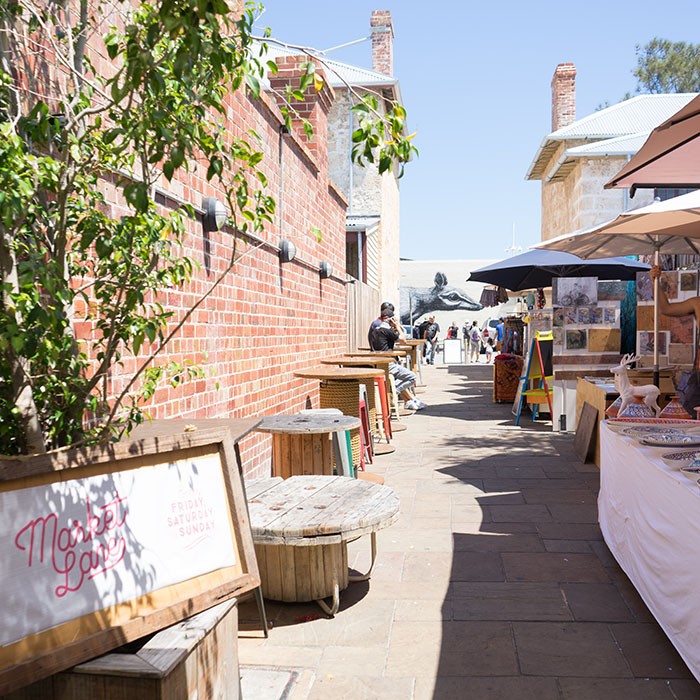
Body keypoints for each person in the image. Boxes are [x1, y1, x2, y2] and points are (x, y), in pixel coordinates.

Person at [369, 305, 427, 410]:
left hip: (378, 363)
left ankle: (408, 400)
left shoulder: (376, 330)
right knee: (411, 377)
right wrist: (397, 326)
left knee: (398, 377)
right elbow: (403, 339)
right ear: (390, 319)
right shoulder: (387, 330)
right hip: (388, 364)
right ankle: (393, 391)